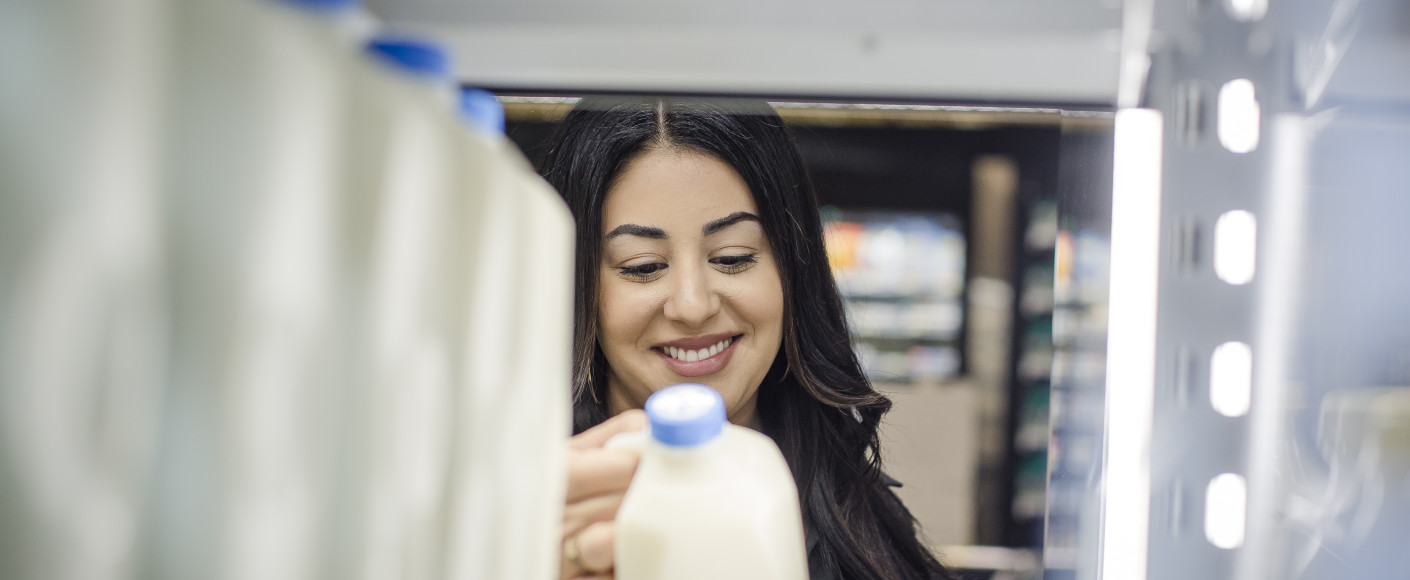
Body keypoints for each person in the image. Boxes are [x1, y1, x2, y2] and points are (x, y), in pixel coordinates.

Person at [540, 96, 954, 580]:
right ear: (575, 285)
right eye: (644, 267)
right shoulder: (533, 509)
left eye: (733, 257)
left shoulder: (858, 517)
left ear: (791, 269)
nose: (693, 306)